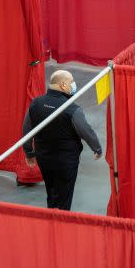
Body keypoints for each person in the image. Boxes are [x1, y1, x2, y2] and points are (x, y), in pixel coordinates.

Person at [22, 70, 103, 211]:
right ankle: (60, 226)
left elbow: (27, 129)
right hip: (66, 162)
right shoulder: (72, 109)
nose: (73, 84)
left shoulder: (35, 103)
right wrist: (97, 148)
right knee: (64, 197)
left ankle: (50, 218)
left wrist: (29, 153)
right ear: (63, 85)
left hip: (44, 159)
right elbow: (86, 131)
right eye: (72, 81)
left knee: (51, 192)